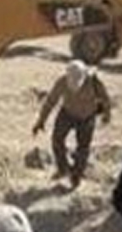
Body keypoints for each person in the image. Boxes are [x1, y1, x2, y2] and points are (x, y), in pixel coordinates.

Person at [33, 61, 112, 190]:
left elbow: (105, 99)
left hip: (87, 117)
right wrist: (41, 121)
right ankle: (63, 168)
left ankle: (76, 175)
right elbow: (50, 101)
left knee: (83, 148)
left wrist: (107, 114)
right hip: (67, 114)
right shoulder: (62, 82)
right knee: (57, 139)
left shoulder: (94, 83)